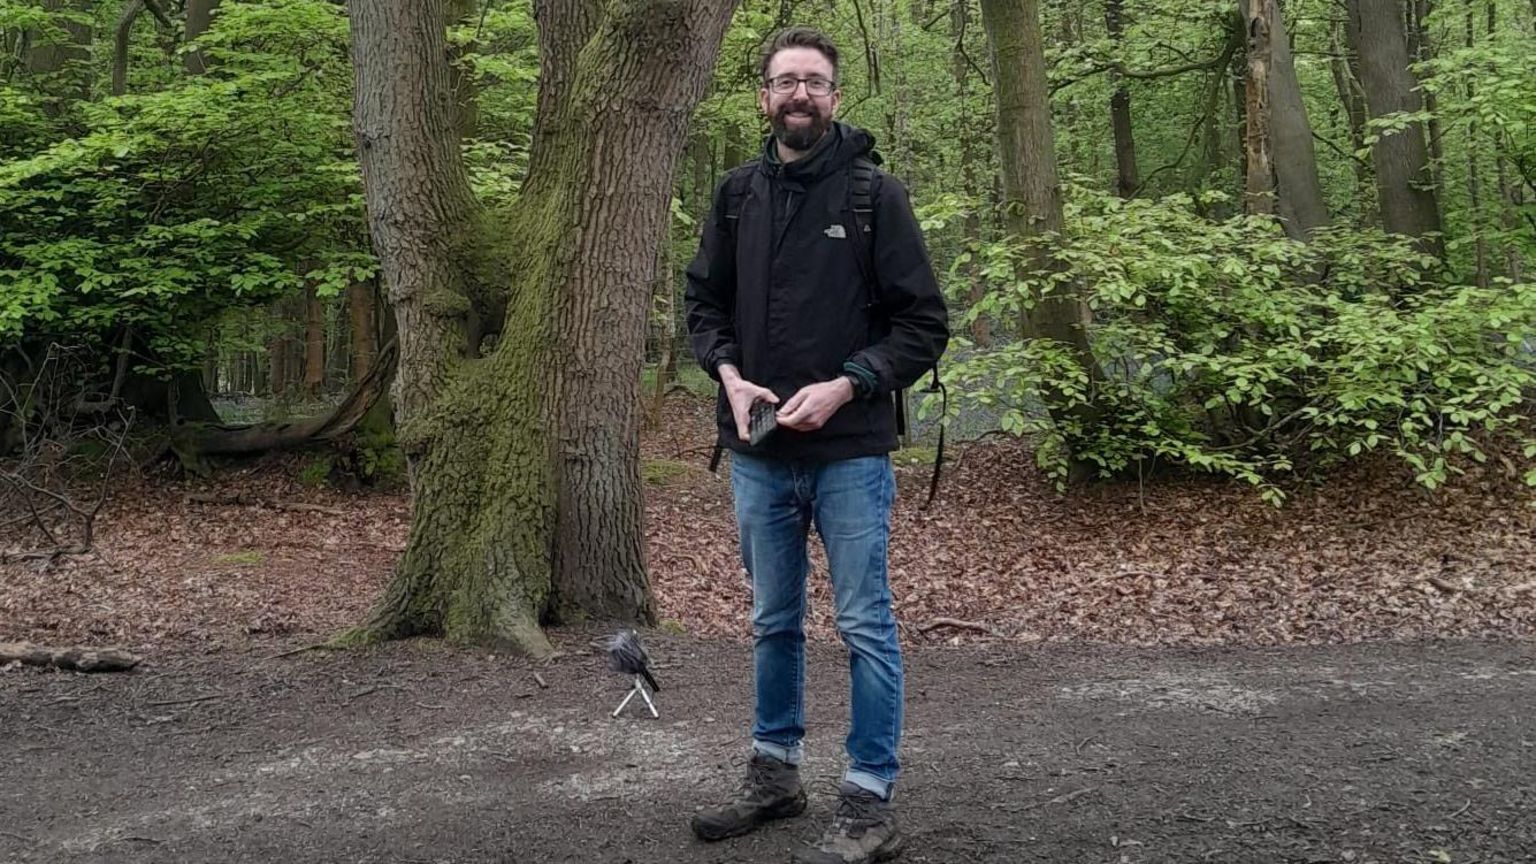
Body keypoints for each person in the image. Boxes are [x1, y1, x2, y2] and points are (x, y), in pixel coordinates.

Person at [683, 25, 949, 864]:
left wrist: (850, 382)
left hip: (852, 453)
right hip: (758, 452)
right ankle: (776, 773)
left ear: (835, 98)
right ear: (763, 97)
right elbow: (702, 306)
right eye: (785, 81)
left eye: (815, 82)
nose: (800, 93)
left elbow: (924, 324)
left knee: (866, 623)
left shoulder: (876, 196)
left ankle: (868, 799)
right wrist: (727, 375)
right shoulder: (735, 197)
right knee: (773, 620)